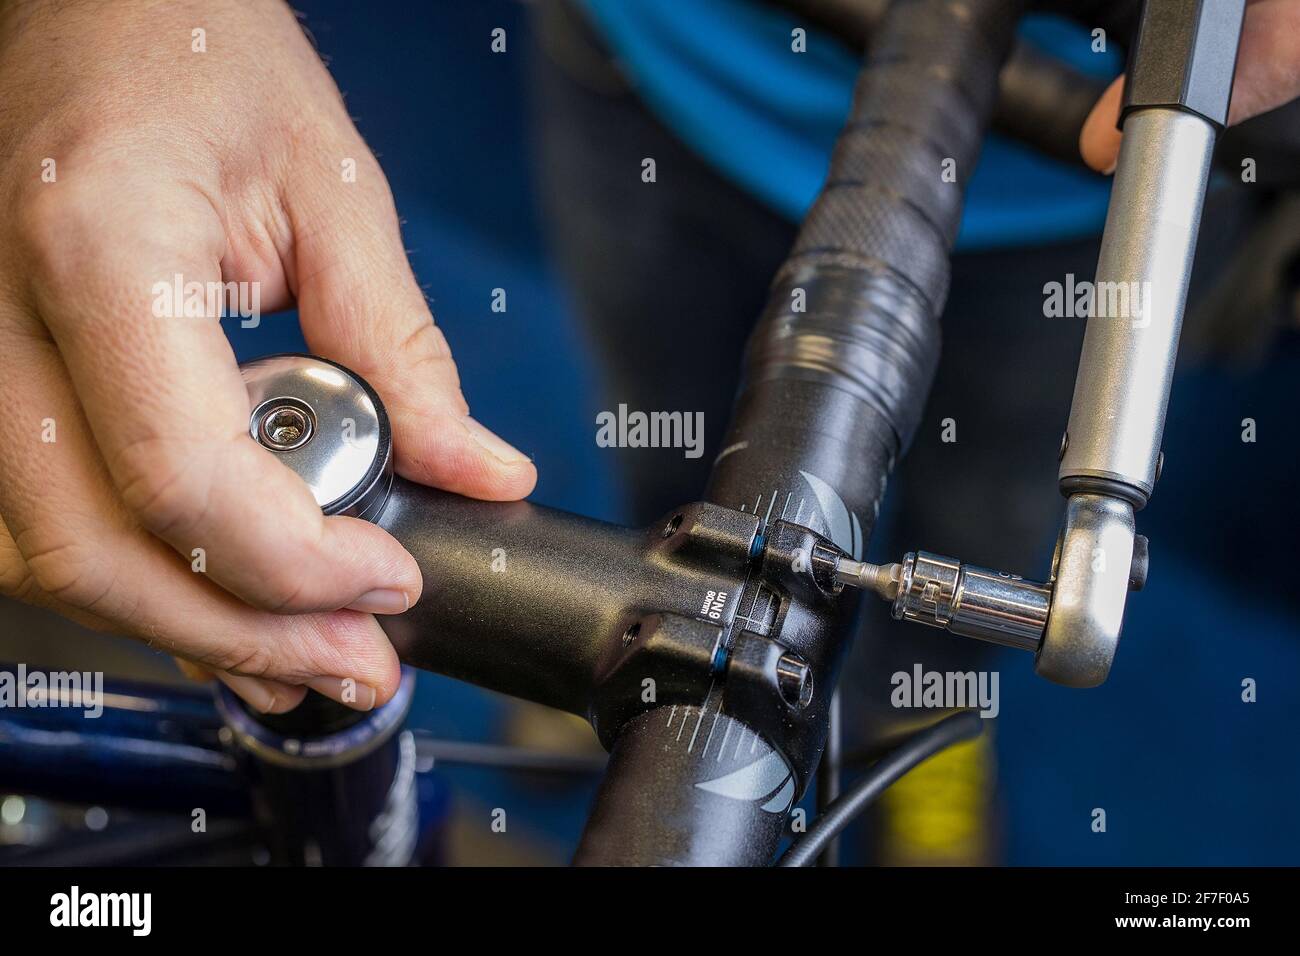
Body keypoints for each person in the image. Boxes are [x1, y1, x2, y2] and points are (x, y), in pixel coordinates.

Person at [0, 0, 1295, 723]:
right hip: (652, 66)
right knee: (664, 432)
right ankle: (626, 663)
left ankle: (925, 733)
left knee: (992, 526)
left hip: (1069, 200)